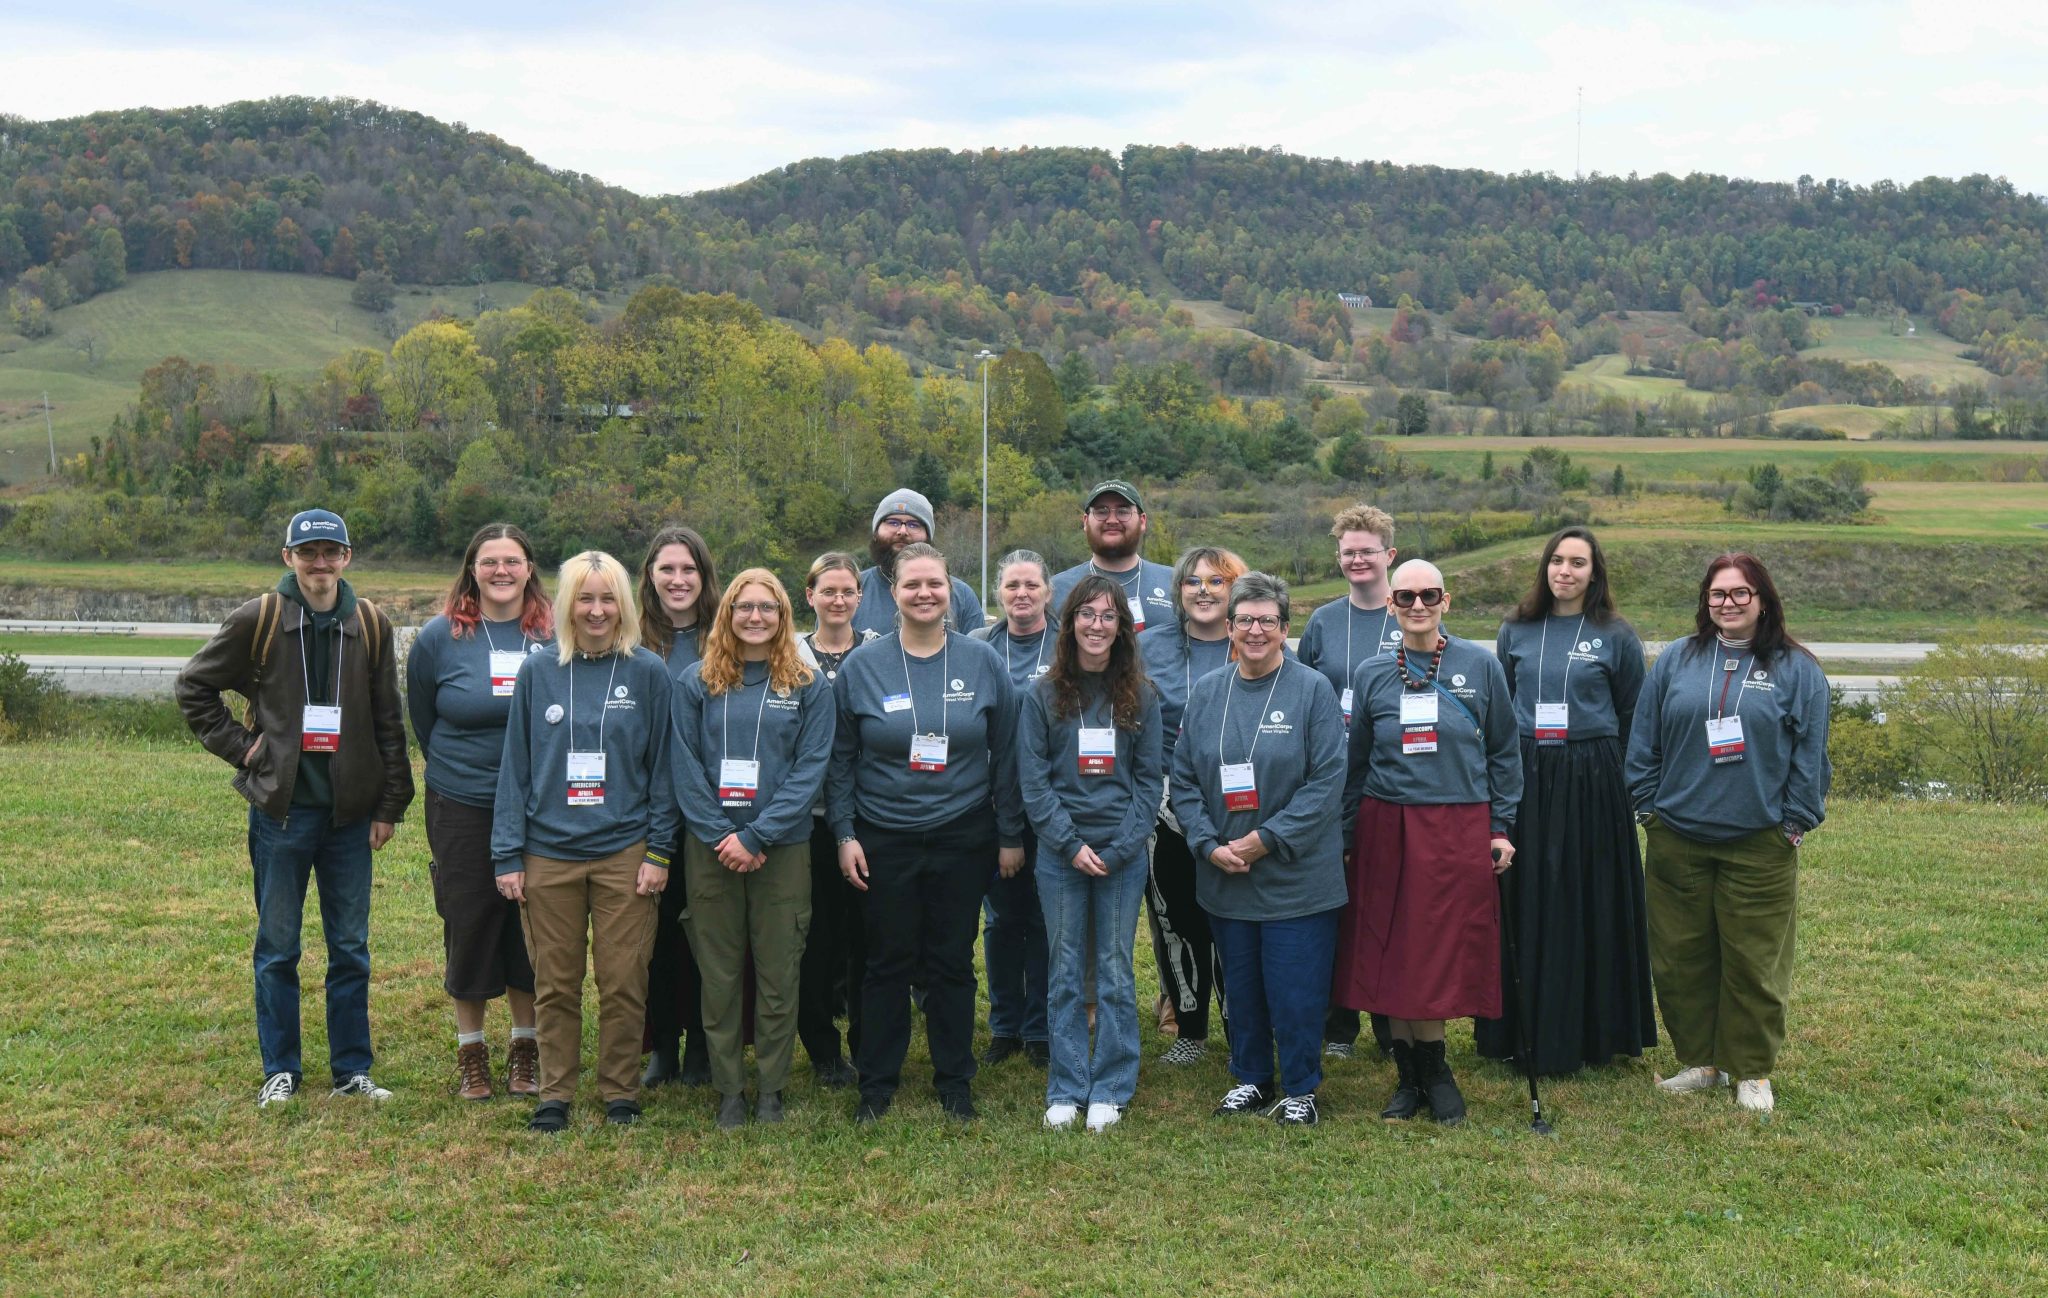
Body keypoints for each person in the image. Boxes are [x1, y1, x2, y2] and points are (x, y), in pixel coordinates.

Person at [176, 508, 414, 1108]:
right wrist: (244, 749)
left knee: (351, 950)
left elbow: (390, 721)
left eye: (331, 552)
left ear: (347, 558)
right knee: (278, 948)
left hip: (350, 817)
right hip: (282, 814)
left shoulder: (371, 623)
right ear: (289, 558)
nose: (320, 563)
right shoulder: (258, 618)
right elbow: (194, 687)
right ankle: (280, 1069)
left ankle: (352, 1071)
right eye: (308, 552)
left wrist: (390, 804)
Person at [1625, 553, 1830, 1115]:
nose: (1729, 603)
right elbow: (1644, 742)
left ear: (1764, 600)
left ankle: (1752, 1070)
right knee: (1680, 957)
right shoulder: (1677, 660)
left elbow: (1810, 758)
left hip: (1758, 841)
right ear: (1705, 601)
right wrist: (1649, 809)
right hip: (1678, 837)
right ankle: (1701, 1062)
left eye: (1741, 593)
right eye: (1718, 594)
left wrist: (1794, 822)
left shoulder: (1798, 669)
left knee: (1754, 962)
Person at [827, 543, 1025, 1123]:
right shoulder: (863, 666)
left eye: (934, 583)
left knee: (951, 961)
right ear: (893, 592)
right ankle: (877, 1082)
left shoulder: (982, 660)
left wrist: (1009, 834)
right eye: (912, 584)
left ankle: (954, 1079)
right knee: (885, 960)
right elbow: (840, 760)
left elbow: (1007, 752)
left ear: (950, 590)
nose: (924, 594)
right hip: (883, 834)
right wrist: (844, 833)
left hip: (963, 833)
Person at [492, 550, 676, 1131]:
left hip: (626, 851)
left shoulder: (648, 673)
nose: (596, 612)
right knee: (556, 982)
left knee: (624, 979)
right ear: (565, 605)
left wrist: (659, 851)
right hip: (548, 854)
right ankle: (556, 1094)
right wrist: (507, 853)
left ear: (623, 605)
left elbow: (665, 771)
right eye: (585, 599)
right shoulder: (538, 671)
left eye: (607, 600)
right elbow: (515, 770)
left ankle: (620, 1090)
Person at [1334, 560, 1522, 1127]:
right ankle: (1408, 1076)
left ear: (1447, 600)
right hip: (1387, 825)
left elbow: (1504, 755)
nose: (1418, 606)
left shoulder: (1480, 665)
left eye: (1429, 595)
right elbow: (1357, 765)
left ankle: (1436, 1071)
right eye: (1407, 597)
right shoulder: (1371, 673)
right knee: (1396, 950)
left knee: (1437, 951)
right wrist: (1347, 837)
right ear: (1390, 604)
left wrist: (1501, 826)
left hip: (1457, 826)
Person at [1474, 527, 1655, 1075]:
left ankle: (1590, 1033)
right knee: (1528, 898)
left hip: (1592, 776)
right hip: (1528, 773)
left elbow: (1634, 719)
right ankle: (1520, 1032)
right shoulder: (1517, 630)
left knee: (1586, 897)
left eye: (1578, 562)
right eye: (1557, 560)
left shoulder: (1616, 635)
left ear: (1594, 572)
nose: (1566, 571)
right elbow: (1499, 716)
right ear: (1545, 568)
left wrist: (1619, 782)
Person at [1169, 572, 1347, 1126]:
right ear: (1228, 627)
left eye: (1267, 620)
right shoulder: (1207, 693)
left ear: (1285, 628)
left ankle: (1300, 1087)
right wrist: (1205, 842)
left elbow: (1327, 782)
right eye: (1244, 619)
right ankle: (1251, 1077)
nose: (1255, 630)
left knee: (1295, 990)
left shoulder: (1311, 690)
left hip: (1296, 876)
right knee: (1241, 989)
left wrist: (1265, 840)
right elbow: (1185, 779)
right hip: (1225, 874)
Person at [672, 569, 835, 1129]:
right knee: (718, 975)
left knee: (778, 971)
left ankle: (771, 1087)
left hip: (782, 850)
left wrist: (758, 835)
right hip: (710, 849)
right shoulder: (697, 682)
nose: (756, 617)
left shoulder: (809, 686)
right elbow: (684, 766)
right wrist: (724, 835)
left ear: (784, 615)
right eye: (745, 606)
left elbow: (811, 771)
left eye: (768, 607)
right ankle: (728, 1090)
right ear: (728, 613)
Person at [406, 522, 554, 1101]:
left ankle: (527, 1048)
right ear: (472, 568)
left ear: (529, 569)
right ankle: (472, 1051)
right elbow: (424, 717)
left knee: (531, 925)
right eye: (489, 561)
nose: (500, 571)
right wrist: (464, 767)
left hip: (541, 805)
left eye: (511, 561)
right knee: (468, 922)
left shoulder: (552, 635)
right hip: (462, 801)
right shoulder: (440, 638)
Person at [1018, 575, 1163, 1131]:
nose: (1097, 625)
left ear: (1121, 626)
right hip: (1061, 856)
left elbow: (1150, 782)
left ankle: (1112, 1085)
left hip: (1123, 856)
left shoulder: (1142, 694)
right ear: (1070, 621)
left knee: (1114, 970)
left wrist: (1121, 846)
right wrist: (1071, 845)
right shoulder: (1044, 694)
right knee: (1064, 970)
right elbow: (1034, 783)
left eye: (1108, 616)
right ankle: (1067, 1085)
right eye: (1087, 614)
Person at [1295, 502, 1400, 1060]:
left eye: (1367, 550)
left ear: (1390, 555)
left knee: (1381, 900)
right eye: (1348, 552)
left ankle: (1389, 1019)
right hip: (1329, 779)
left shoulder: (1408, 613)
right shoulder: (1323, 623)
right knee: (1331, 899)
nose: (1358, 559)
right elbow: (1306, 692)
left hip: (1389, 778)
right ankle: (1338, 1024)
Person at [1137, 545, 1245, 1064]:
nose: (1204, 591)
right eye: (1192, 582)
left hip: (1236, 804)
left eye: (1216, 582)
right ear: (1177, 592)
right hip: (1163, 804)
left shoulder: (1254, 639)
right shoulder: (1146, 647)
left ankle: (1241, 1028)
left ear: (1235, 590)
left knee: (1232, 921)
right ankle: (1190, 1029)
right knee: (1176, 919)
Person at [636, 525, 719, 1089]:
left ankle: (705, 1049)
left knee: (708, 935)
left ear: (704, 576)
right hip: (640, 810)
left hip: (712, 810)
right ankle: (661, 1044)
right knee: (655, 936)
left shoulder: (727, 636)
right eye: (667, 569)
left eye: (688, 569)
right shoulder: (627, 637)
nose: (678, 579)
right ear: (649, 577)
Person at [794, 552, 878, 1089]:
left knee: (867, 938)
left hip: (867, 817)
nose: (839, 600)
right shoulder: (790, 652)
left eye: (848, 591)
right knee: (816, 941)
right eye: (828, 591)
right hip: (805, 821)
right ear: (810, 596)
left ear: (860, 597)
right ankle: (821, 1046)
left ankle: (867, 1043)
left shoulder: (877, 653)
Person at [970, 549, 1056, 1068]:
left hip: (1052, 806)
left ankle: (1041, 1027)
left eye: (1031, 585)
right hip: (993, 803)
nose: (1021, 594)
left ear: (1048, 591)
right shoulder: (980, 647)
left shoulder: (1069, 645)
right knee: (1002, 920)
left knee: (1046, 920)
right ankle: (1004, 1025)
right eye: (1011, 586)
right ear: (997, 594)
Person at [849, 488, 986, 638]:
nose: (902, 531)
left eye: (913, 524)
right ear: (876, 532)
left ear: (928, 536)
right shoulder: (850, 590)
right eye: (892, 522)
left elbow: (976, 657)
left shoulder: (962, 596)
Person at [1049, 479, 1178, 634]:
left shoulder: (1177, 583)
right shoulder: (1053, 590)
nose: (1111, 520)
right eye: (1101, 511)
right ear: (1085, 521)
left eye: (1123, 511)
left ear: (1142, 521)